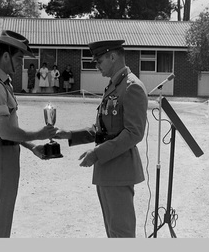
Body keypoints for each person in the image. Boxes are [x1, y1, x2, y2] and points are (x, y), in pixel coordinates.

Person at [54, 40, 148, 238]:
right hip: (107, 170)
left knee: (121, 234)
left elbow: (134, 133)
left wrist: (97, 153)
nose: (96, 66)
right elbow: (101, 129)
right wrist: (70, 134)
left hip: (119, 169)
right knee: (112, 232)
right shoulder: (115, 86)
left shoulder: (132, 87)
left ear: (112, 57)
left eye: (99, 61)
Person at [0, 30, 58, 238]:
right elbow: (4, 131)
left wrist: (31, 147)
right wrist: (39, 134)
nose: (22, 63)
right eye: (19, 58)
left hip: (3, 154)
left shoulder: (2, 82)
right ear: (5, 56)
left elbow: (8, 130)